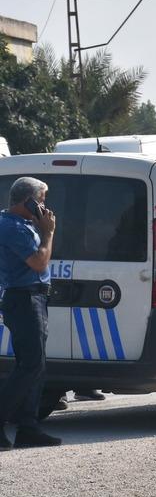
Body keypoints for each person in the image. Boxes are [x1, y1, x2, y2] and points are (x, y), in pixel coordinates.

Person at [0, 177, 61, 449]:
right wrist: (48, 232)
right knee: (31, 365)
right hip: (24, 298)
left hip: (33, 297)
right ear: (28, 201)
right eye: (42, 199)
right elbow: (38, 262)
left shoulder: (24, 224)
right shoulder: (12, 227)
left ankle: (28, 427)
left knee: (36, 365)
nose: (45, 206)